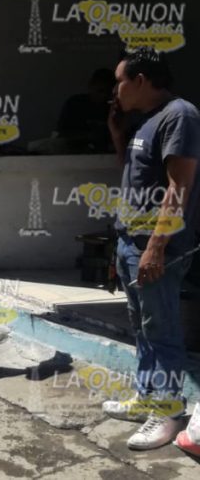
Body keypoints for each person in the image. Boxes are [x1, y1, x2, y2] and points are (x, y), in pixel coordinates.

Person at [101, 47, 200, 451]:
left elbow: (179, 187)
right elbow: (135, 178)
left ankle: (169, 410)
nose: (115, 89)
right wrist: (117, 136)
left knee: (161, 329)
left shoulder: (181, 115)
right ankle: (148, 396)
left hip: (157, 246)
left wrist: (155, 248)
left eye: (120, 81)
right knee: (142, 327)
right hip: (130, 241)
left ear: (141, 80)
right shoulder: (145, 122)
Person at [56, 68, 118, 153]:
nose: (104, 96)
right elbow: (62, 135)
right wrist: (88, 136)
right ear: (91, 86)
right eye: (100, 91)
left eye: (108, 93)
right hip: (72, 155)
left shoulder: (112, 107)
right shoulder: (75, 104)